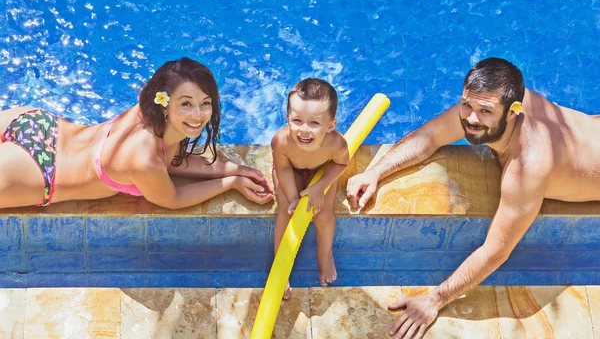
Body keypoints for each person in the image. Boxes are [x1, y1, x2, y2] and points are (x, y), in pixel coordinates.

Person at [347, 57, 600, 339]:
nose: (471, 118)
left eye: (485, 112)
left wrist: (435, 299)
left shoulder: (528, 165)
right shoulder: (499, 96)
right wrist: (376, 172)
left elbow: (496, 251)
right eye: (467, 105)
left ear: (514, 112)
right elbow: (431, 135)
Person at [0, 57, 274, 209]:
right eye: (187, 104)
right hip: (35, 171)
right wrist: (229, 183)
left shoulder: (150, 104)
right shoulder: (143, 159)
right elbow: (172, 198)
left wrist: (233, 169)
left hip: (38, 124)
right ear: (167, 105)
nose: (199, 115)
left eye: (205, 103)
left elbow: (173, 162)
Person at [271, 78, 350, 299]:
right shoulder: (281, 141)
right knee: (286, 210)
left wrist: (320, 186)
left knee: (323, 213)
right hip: (290, 172)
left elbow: (341, 163)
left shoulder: (336, 144)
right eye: (297, 120)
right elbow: (283, 169)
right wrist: (294, 197)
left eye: (314, 123)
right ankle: (281, 267)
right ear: (287, 118)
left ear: (330, 126)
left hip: (321, 173)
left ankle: (324, 255)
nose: (304, 130)